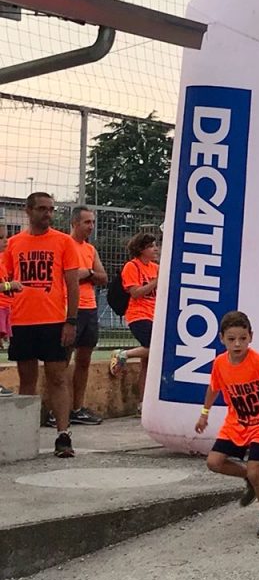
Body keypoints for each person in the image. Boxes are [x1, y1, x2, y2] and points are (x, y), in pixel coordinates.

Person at [0, 192, 81, 458]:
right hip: (23, 321)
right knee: (27, 380)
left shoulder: (63, 242)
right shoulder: (13, 244)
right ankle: (24, 436)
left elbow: (72, 284)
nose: (48, 214)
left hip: (54, 321)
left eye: (51, 209)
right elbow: (7, 279)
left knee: (57, 378)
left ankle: (63, 435)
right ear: (28, 211)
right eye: (42, 209)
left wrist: (71, 320)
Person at [195, 311, 259, 538]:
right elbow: (214, 387)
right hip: (236, 423)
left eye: (242, 338)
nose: (237, 344)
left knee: (255, 470)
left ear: (250, 337)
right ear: (222, 338)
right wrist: (204, 413)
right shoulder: (220, 363)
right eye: (232, 339)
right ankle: (252, 478)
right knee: (214, 462)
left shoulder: (258, 362)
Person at [66, 206, 107, 425]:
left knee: (84, 359)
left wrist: (88, 273)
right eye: (86, 222)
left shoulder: (90, 250)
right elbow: (65, 276)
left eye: (92, 222)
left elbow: (103, 276)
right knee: (63, 361)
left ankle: (77, 408)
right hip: (69, 308)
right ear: (74, 223)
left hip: (89, 308)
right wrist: (77, 275)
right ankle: (59, 410)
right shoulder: (64, 244)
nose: (90, 226)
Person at [109, 232, 160, 405]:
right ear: (141, 249)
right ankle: (124, 354)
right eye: (151, 246)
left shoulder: (155, 267)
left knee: (147, 362)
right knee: (157, 348)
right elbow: (136, 292)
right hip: (138, 315)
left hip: (155, 315)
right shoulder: (132, 266)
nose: (155, 249)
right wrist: (155, 282)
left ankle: (143, 403)